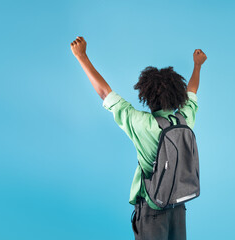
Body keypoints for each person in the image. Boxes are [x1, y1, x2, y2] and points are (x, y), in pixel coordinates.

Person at [70, 36, 207, 240]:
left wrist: (82, 56)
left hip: (152, 209)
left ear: (147, 97)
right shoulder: (184, 119)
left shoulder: (142, 123)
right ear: (178, 96)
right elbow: (192, 92)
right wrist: (197, 66)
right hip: (179, 207)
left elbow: (105, 94)